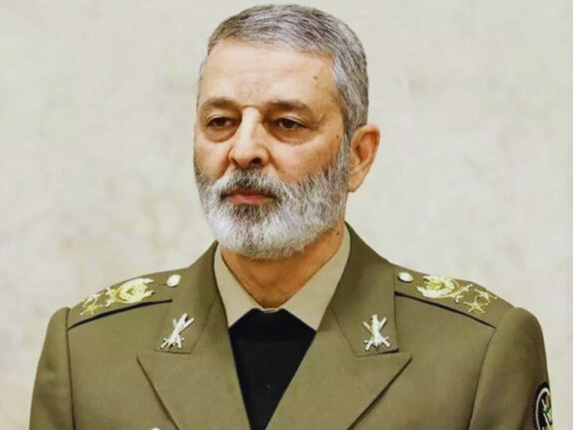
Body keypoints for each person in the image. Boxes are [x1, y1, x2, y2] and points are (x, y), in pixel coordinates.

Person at [30, 5, 553, 430]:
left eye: (286, 123)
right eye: (220, 121)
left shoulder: (474, 357)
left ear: (358, 157)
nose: (243, 150)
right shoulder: (89, 353)